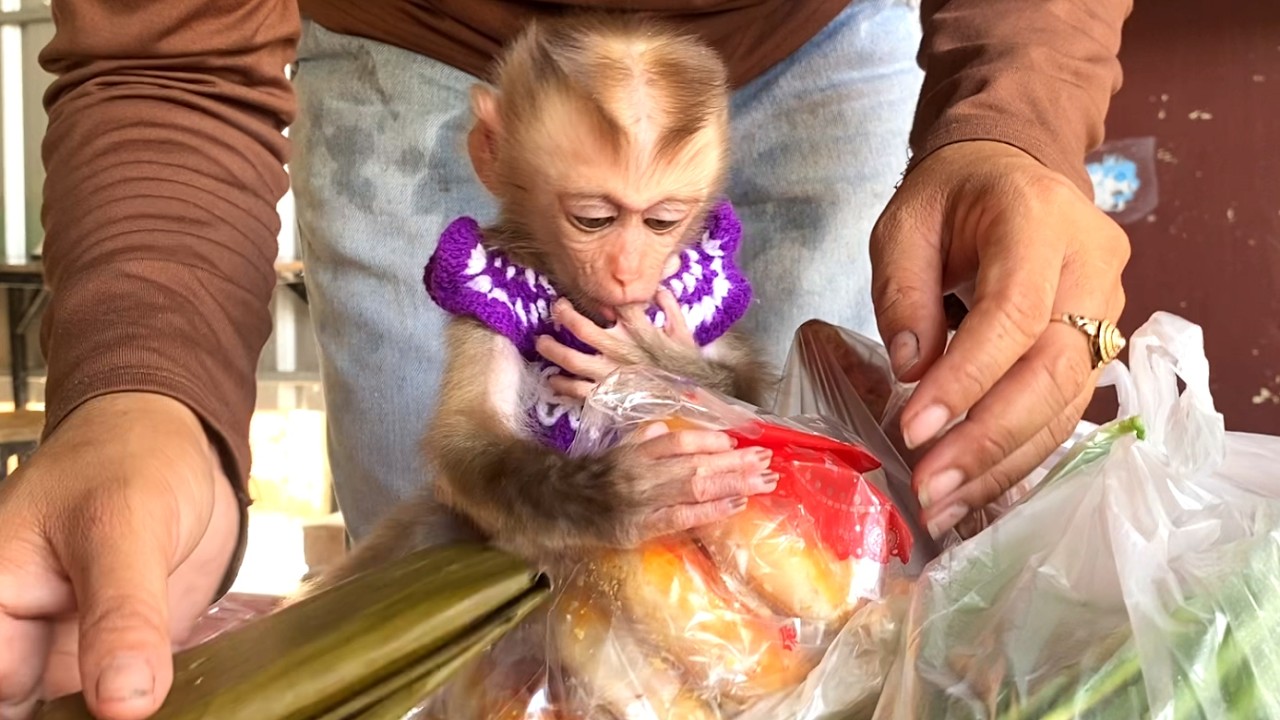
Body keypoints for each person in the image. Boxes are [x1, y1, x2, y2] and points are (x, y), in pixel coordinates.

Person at [0, 0, 1133, 718]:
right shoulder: (493, 282)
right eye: (595, 224)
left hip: (811, 24)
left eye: (664, 228)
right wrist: (142, 394)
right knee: (472, 641)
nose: (632, 271)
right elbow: (468, 467)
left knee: (810, 608)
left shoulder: (680, 275)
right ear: (488, 160)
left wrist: (1017, 121)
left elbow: (751, 417)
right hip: (426, 30)